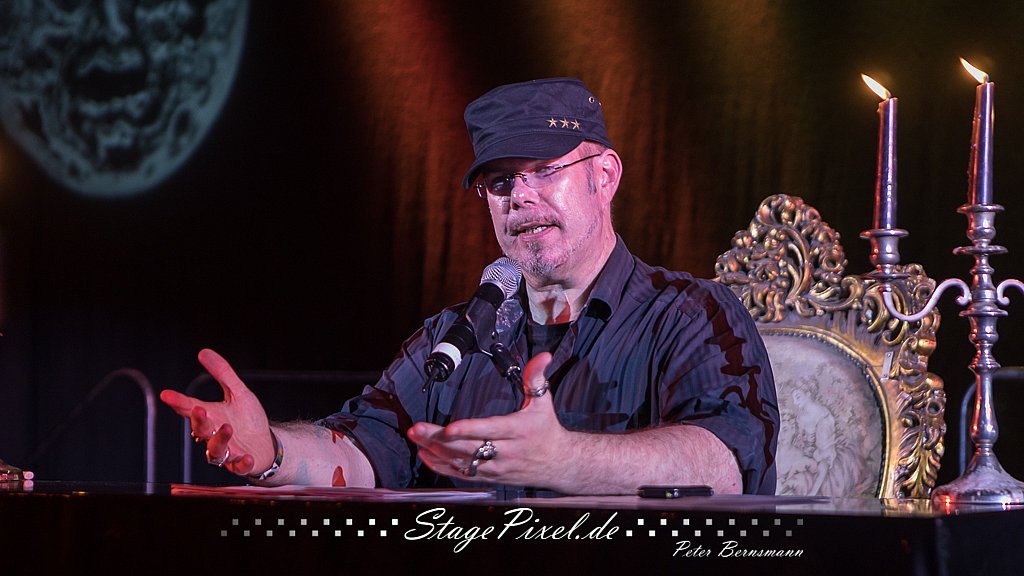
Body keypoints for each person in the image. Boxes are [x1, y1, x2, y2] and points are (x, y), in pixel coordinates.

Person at [161, 78, 779, 497]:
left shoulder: (689, 314)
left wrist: (564, 459)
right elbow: (367, 447)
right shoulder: (454, 339)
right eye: (500, 182)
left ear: (605, 176)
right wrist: (271, 451)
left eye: (545, 170)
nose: (521, 197)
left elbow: (726, 462)